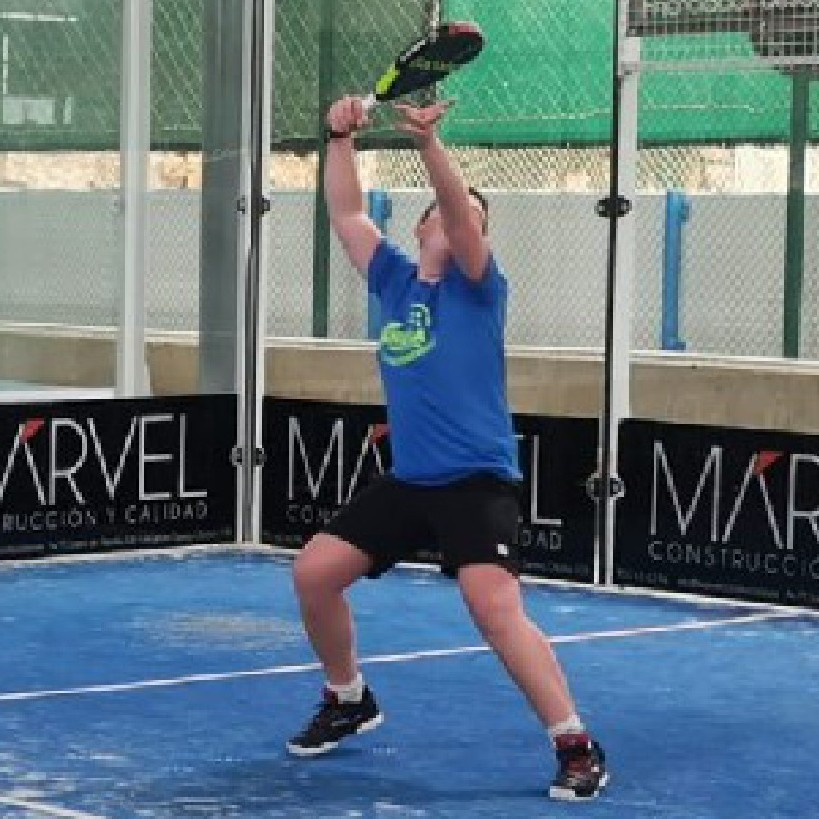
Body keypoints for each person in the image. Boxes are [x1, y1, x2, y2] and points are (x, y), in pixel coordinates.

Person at [285, 95, 609, 801]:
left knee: (492, 609)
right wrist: (337, 136)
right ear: (418, 225)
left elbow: (459, 214)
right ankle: (348, 696)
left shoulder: (480, 288)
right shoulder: (394, 281)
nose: (464, 222)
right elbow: (347, 214)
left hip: (476, 482)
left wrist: (430, 145)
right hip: (411, 480)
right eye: (449, 213)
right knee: (313, 573)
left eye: (475, 219)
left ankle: (575, 743)